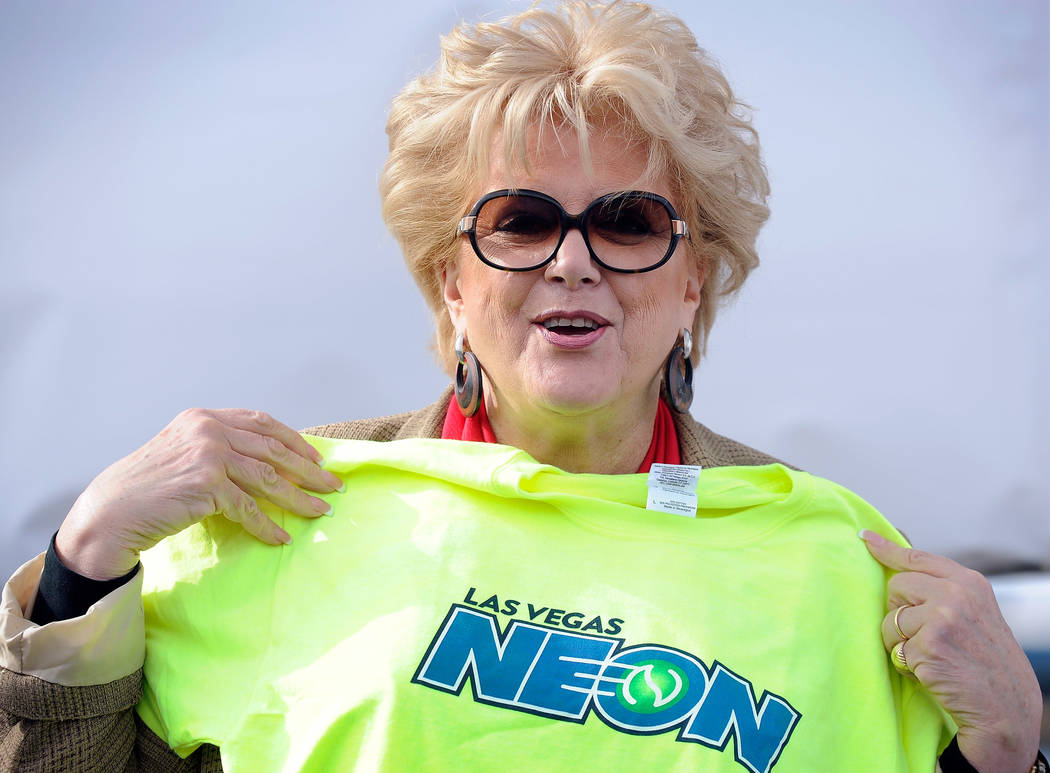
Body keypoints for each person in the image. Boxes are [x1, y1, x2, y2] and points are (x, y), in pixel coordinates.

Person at [0, 1, 1043, 771]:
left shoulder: (844, 566)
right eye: (521, 220)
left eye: (629, 221)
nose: (572, 261)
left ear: (694, 281)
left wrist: (1007, 747)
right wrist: (83, 564)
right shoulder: (278, 508)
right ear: (452, 281)